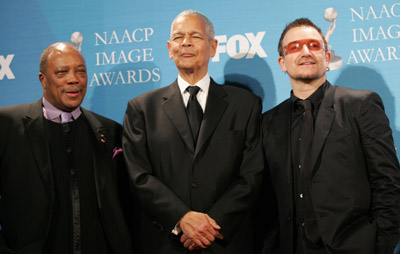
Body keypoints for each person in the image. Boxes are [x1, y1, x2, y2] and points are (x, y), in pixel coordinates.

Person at [122, 9, 263, 254]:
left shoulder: (245, 104)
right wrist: (181, 219)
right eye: (178, 37)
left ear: (213, 47)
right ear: (169, 48)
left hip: (225, 241)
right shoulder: (142, 108)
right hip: (167, 242)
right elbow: (139, 176)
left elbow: (251, 174)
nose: (185, 42)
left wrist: (209, 225)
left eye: (195, 36)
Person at [261, 17, 400, 253]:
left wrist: (380, 246)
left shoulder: (360, 105)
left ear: (327, 58)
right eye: (295, 47)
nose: (305, 51)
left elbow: (387, 182)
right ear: (283, 63)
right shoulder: (268, 121)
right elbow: (265, 197)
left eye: (314, 45)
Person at [0, 42, 133, 253]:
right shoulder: (7, 124)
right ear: (43, 79)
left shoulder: (110, 131)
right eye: (62, 72)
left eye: (81, 71)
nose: (74, 79)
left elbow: (126, 205)